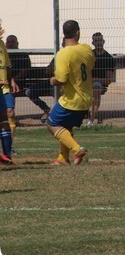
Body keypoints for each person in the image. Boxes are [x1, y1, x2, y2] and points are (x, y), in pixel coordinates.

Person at [46, 20, 94, 166]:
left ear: (64, 34)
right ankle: (63, 158)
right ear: (77, 32)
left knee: (52, 123)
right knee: (65, 126)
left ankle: (77, 149)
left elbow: (61, 79)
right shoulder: (87, 49)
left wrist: (52, 80)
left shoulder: (63, 54)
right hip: (86, 97)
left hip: (72, 99)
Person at [7, 35, 51, 122]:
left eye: (13, 42)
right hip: (6, 82)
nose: (10, 44)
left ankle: (10, 117)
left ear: (17, 43)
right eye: (8, 42)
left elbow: (24, 72)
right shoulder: (4, 55)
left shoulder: (22, 55)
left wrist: (12, 81)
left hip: (19, 83)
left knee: (13, 91)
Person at [88, 32, 116, 127]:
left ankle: (91, 120)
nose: (98, 43)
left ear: (103, 41)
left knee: (96, 88)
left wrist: (94, 79)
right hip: (87, 83)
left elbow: (108, 80)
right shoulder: (89, 56)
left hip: (99, 84)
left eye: (100, 40)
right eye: (96, 41)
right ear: (93, 43)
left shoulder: (108, 58)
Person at [0, 31, 19, 149]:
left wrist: (12, 81)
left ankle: (9, 150)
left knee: (10, 112)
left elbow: (7, 66)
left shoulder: (2, 44)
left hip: (4, 87)